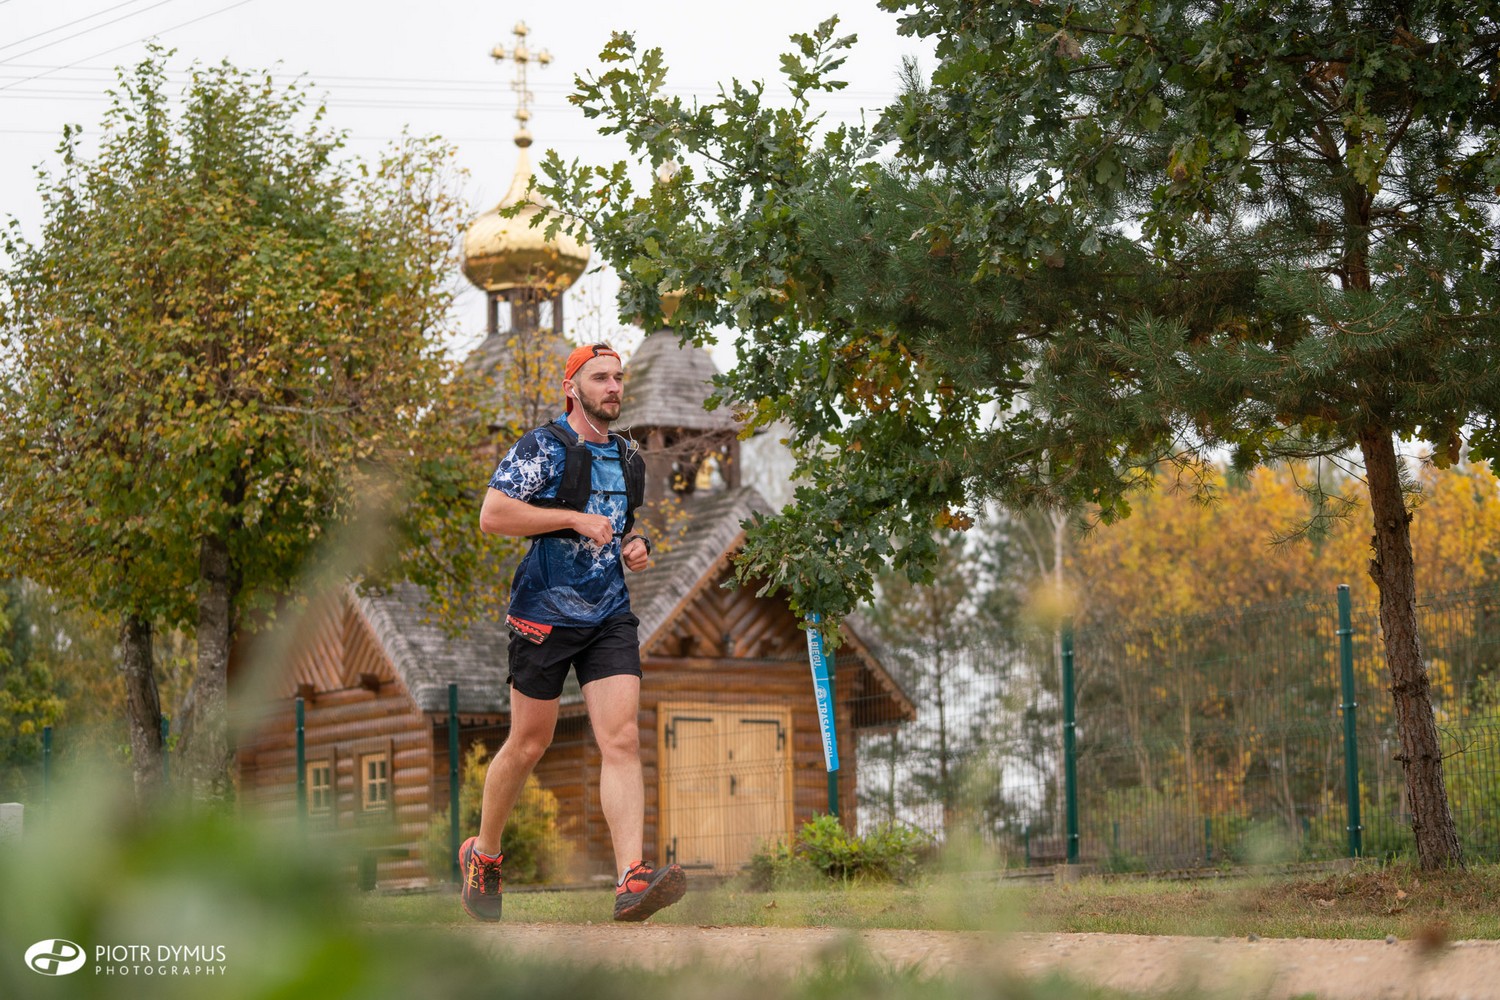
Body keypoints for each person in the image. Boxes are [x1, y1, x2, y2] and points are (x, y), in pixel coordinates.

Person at [459, 342, 686, 923]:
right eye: (600, 378)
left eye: (618, 377)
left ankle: (630, 878)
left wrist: (637, 547)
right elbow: (493, 514)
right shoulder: (543, 447)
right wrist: (570, 517)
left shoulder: (629, 456)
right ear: (573, 388)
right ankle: (483, 855)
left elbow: (621, 530)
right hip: (543, 614)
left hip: (608, 613)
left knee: (621, 739)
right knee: (530, 743)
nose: (613, 386)